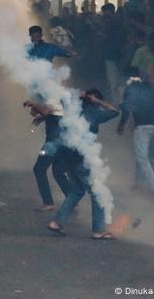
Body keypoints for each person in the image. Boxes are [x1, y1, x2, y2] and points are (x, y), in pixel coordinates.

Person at [48, 89, 119, 239]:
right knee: (97, 192)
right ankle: (99, 230)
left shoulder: (73, 110)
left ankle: (57, 222)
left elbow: (61, 101)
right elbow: (114, 111)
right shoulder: (94, 113)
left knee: (77, 191)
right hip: (82, 158)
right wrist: (97, 101)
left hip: (69, 158)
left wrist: (79, 97)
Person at [23, 98, 72, 212]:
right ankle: (71, 199)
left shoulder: (54, 95)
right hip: (64, 143)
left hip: (53, 144)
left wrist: (34, 104)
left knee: (39, 169)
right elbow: (36, 113)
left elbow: (46, 111)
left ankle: (48, 202)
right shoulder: (58, 99)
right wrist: (37, 110)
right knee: (58, 172)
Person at [118, 67, 154, 192]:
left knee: (142, 157)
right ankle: (138, 183)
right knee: (140, 154)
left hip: (143, 126)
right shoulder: (147, 86)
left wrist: (121, 125)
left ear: (128, 77)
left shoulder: (131, 88)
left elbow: (126, 109)